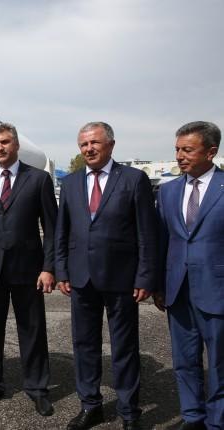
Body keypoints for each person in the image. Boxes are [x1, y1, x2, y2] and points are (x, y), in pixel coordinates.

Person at [55, 122, 158, 430]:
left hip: (122, 279)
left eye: (95, 143)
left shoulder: (133, 179)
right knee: (84, 345)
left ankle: (129, 411)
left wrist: (145, 276)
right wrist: (62, 270)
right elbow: (62, 231)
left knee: (124, 347)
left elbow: (147, 233)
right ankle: (90, 405)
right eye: (83, 144)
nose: (88, 149)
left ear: (111, 145)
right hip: (81, 278)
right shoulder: (70, 183)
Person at [0, 123, 56, 416]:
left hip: (29, 271)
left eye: (4, 142)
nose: (0, 148)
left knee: (32, 331)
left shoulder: (38, 179)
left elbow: (52, 229)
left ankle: (37, 388)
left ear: (15, 145)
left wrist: (49, 267)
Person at [155, 121, 224, 430]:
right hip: (177, 290)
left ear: (211, 152)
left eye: (187, 150)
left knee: (219, 364)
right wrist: (158, 285)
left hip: (217, 290)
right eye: (177, 149)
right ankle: (193, 416)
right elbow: (161, 241)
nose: (180, 156)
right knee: (184, 360)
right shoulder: (168, 191)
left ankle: (217, 421)